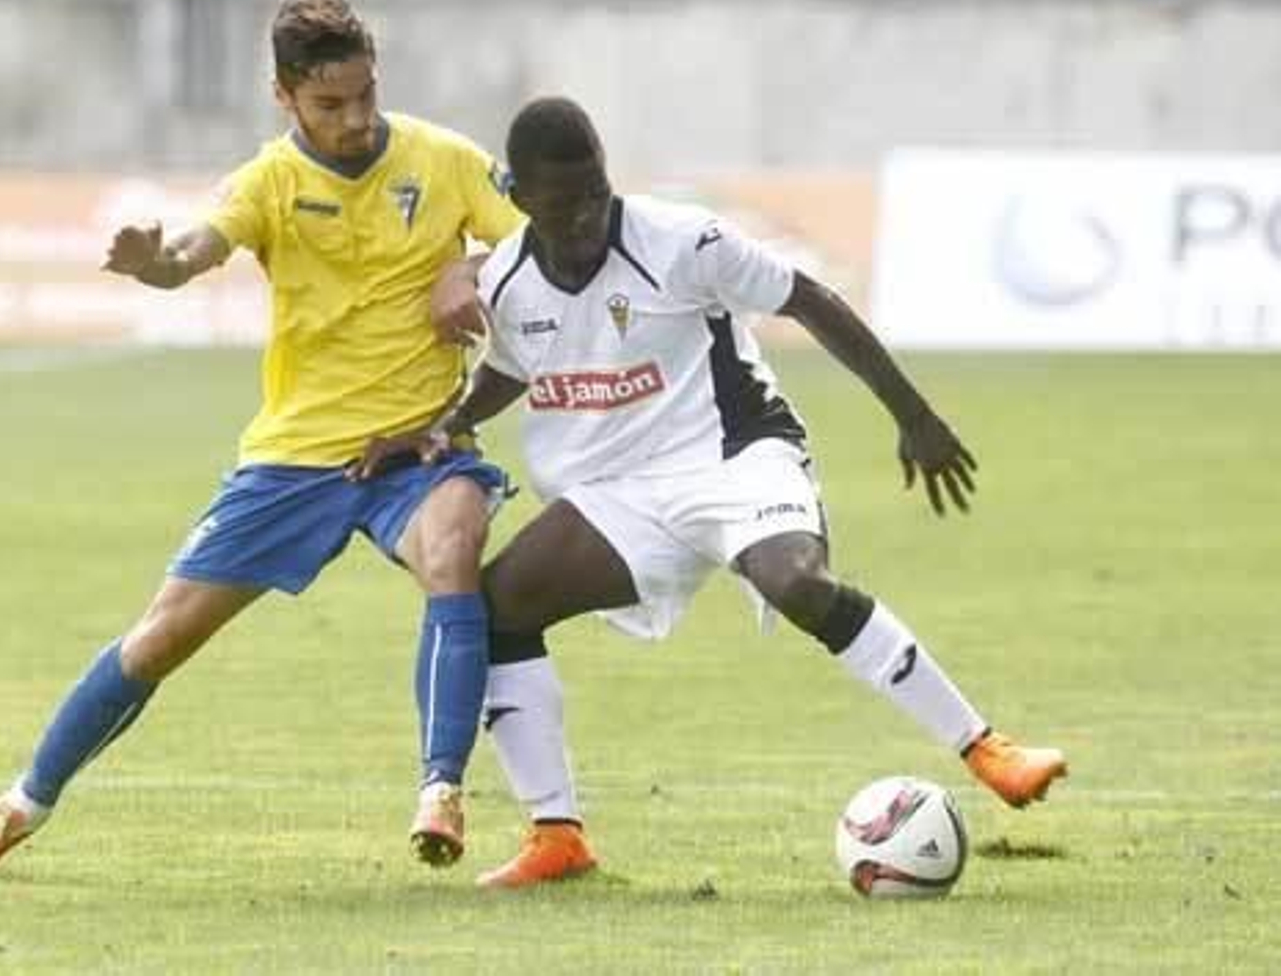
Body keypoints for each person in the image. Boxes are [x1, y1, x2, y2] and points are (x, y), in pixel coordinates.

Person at [358, 96, 1068, 889]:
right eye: (564, 204)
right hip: (623, 490)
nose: (587, 216)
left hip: (736, 455)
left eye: (595, 193)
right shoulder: (511, 278)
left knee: (797, 582)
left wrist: (914, 415)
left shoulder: (683, 240)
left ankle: (988, 748)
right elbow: (513, 368)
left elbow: (811, 299)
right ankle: (557, 834)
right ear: (521, 199)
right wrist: (445, 425)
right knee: (501, 606)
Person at [0, 0, 524, 877]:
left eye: (365, 95)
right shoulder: (269, 183)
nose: (356, 118)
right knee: (160, 637)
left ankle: (441, 788)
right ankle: (21, 803)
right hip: (294, 457)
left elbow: (542, 249)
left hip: (417, 446)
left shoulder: (445, 160)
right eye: (330, 103)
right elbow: (196, 251)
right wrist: (152, 265)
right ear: (284, 97)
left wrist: (472, 265)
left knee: (455, 544)